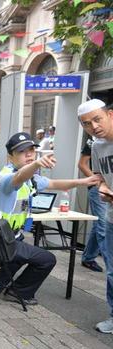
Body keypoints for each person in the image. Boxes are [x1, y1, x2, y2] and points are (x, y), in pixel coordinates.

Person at [0, 132, 99, 305]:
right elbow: (18, 178)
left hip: (11, 236)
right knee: (47, 259)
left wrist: (83, 182)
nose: (29, 154)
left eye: (31, 150)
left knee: (21, 254)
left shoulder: (32, 179)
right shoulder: (6, 177)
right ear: (10, 157)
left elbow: (55, 184)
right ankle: (19, 292)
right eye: (23, 151)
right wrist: (37, 163)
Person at [77, 99, 113, 333]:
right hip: (111, 218)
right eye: (87, 124)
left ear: (110, 114)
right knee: (111, 271)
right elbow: (101, 175)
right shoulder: (97, 146)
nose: (94, 126)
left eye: (97, 119)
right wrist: (101, 186)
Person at [78, 137, 106, 272]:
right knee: (103, 226)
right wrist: (99, 182)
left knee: (100, 224)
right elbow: (82, 164)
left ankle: (88, 258)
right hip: (98, 189)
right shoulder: (94, 140)